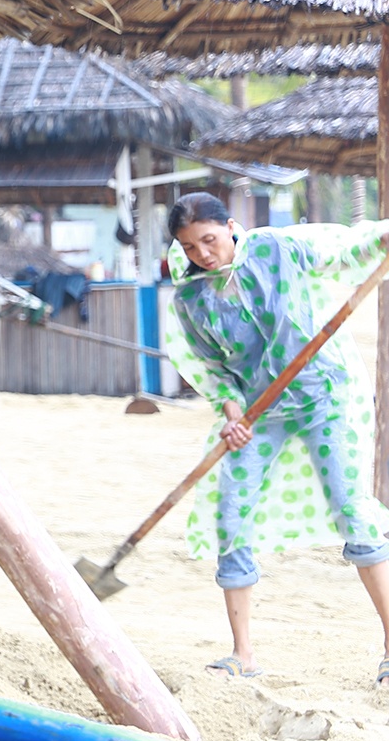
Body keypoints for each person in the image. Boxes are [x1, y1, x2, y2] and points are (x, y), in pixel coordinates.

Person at [163, 191, 389, 687]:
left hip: (323, 396)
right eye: (190, 247)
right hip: (259, 414)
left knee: (351, 509)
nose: (203, 254)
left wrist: (381, 239)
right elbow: (214, 369)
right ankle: (243, 654)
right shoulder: (190, 299)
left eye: (209, 240)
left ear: (230, 226)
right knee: (230, 515)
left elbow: (340, 249)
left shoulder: (274, 248)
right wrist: (231, 413)